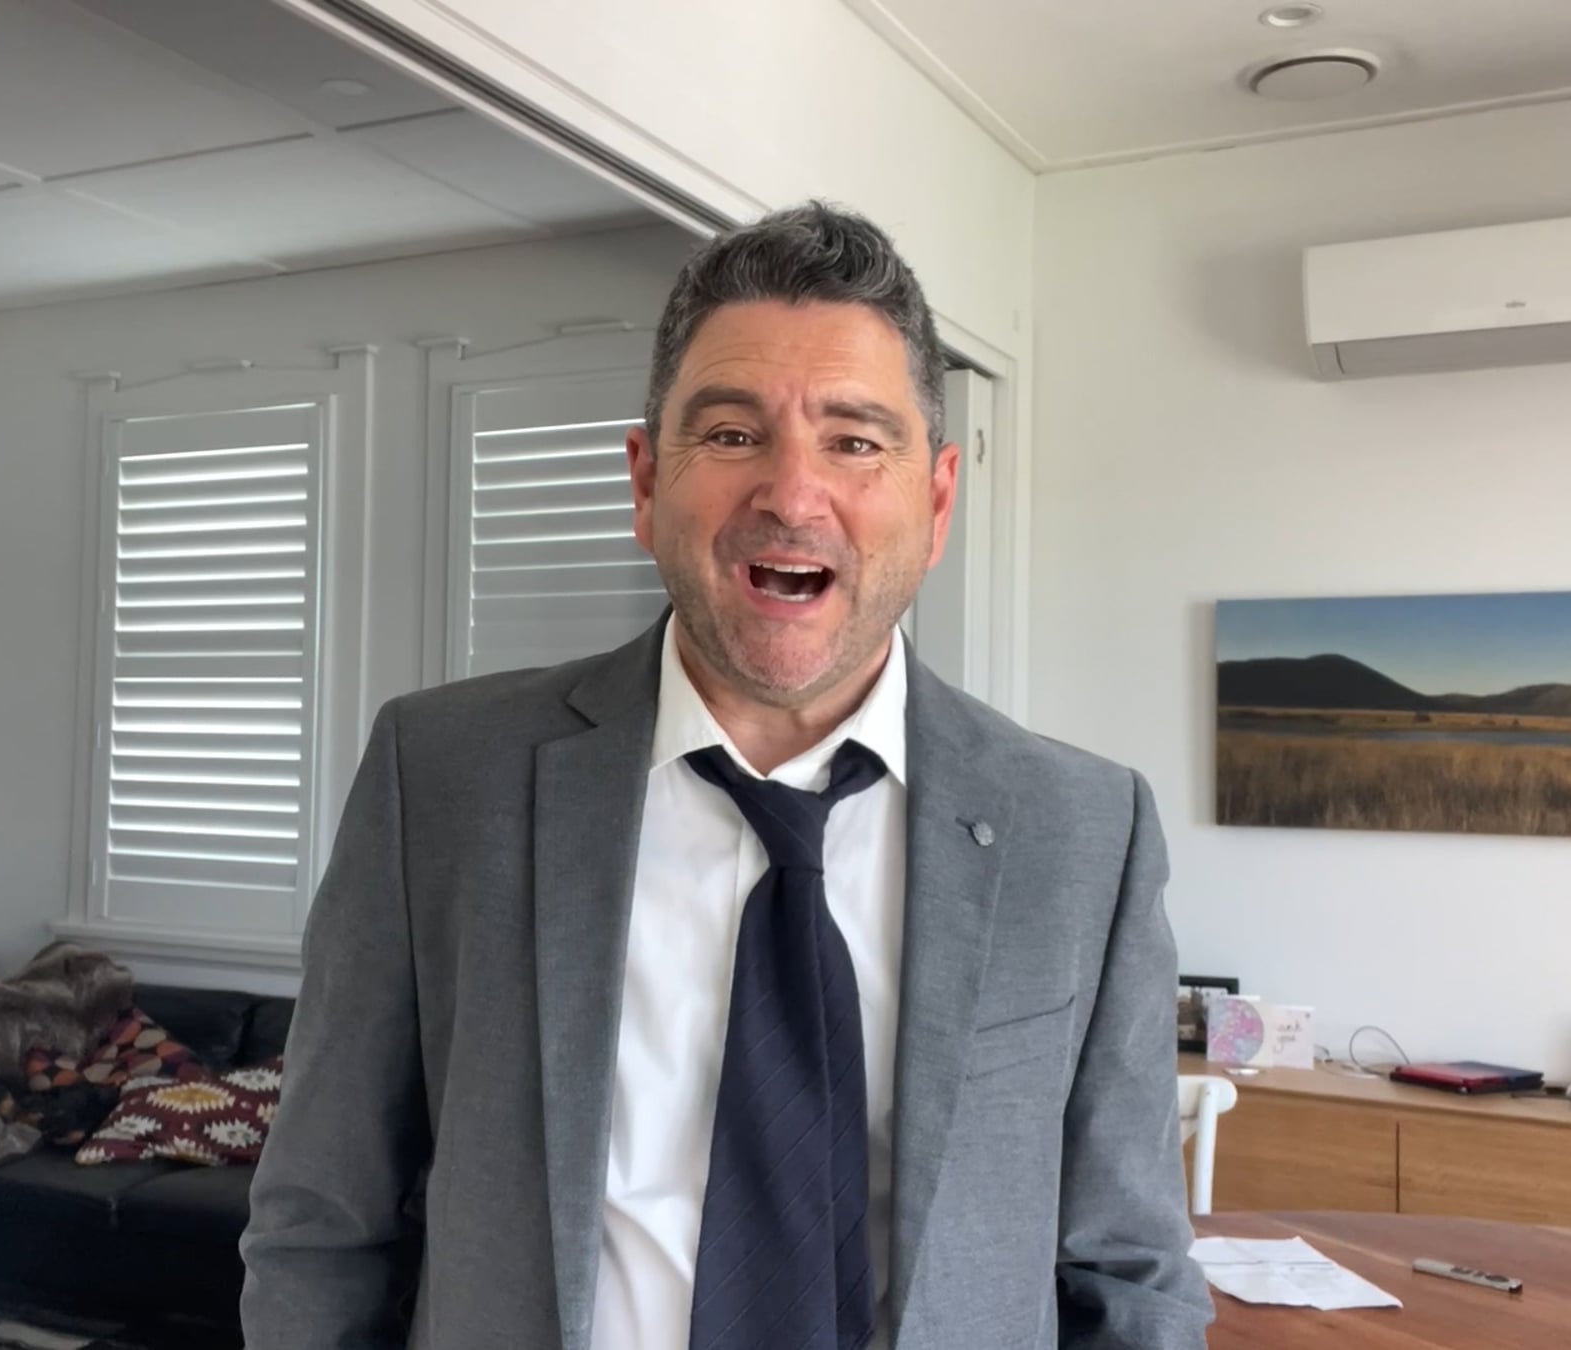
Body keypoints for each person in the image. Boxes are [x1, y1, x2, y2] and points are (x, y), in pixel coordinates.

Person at [241, 202, 1211, 1350]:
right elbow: (321, 1227)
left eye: (856, 442)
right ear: (646, 481)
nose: (793, 496)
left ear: (939, 499)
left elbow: (1130, 1273)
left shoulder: (1084, 831)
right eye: (734, 434)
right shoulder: (442, 780)